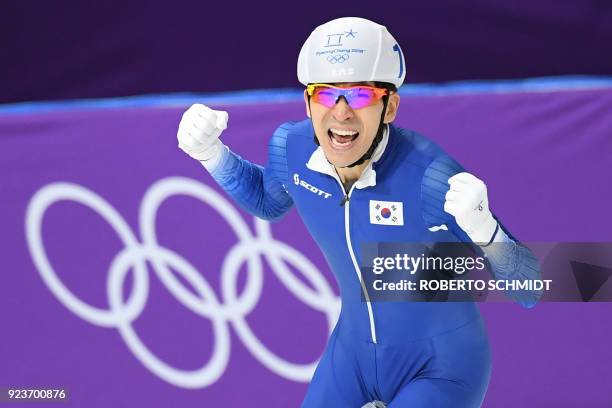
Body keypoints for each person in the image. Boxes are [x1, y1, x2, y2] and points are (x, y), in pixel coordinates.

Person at [177, 17, 541, 408]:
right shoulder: (291, 148)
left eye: (361, 96)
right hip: (351, 357)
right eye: (325, 94)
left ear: (390, 107)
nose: (342, 113)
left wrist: (487, 232)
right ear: (307, 103)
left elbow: (533, 288)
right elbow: (268, 203)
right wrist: (212, 155)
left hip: (442, 368)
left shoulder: (431, 179)